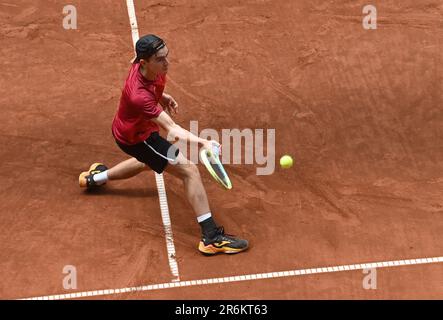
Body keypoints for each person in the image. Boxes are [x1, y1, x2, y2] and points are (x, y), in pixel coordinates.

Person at [79, 34, 248, 255]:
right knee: (189, 170)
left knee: (146, 163)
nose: (167, 63)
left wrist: (161, 95)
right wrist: (203, 143)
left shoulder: (143, 66)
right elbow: (173, 130)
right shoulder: (139, 96)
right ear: (144, 63)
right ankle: (211, 237)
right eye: (160, 59)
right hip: (138, 138)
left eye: (166, 56)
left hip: (129, 128)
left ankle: (94, 178)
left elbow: (149, 87)